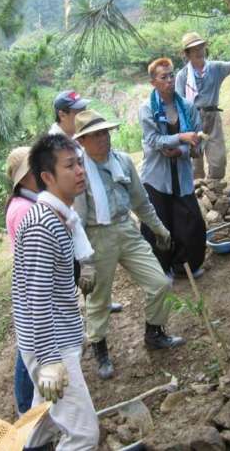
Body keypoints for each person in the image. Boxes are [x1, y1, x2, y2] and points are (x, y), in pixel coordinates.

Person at [72, 110, 185, 380]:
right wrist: (84, 261)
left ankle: (154, 333)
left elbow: (140, 200)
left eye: (105, 132)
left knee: (160, 283)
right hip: (96, 236)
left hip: (126, 228)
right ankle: (100, 348)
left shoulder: (122, 161)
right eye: (95, 135)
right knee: (99, 299)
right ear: (83, 142)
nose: (103, 139)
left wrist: (158, 227)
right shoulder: (78, 172)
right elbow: (75, 219)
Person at [12, 134, 100, 450]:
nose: (80, 171)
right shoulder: (42, 226)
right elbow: (36, 300)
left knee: (41, 427)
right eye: (70, 166)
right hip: (50, 347)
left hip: (58, 338)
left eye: (80, 163)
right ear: (47, 177)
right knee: (84, 435)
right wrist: (51, 360)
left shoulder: (62, 216)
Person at [139, 57, 206, 278]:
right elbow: (153, 140)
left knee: (190, 220)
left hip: (182, 173)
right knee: (158, 223)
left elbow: (198, 139)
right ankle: (161, 269)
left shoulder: (186, 106)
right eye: (163, 77)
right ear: (153, 82)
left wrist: (183, 149)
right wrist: (181, 137)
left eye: (171, 75)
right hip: (157, 176)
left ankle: (185, 266)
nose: (169, 80)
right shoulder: (147, 109)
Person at [175, 32, 230, 181]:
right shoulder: (182, 75)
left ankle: (215, 190)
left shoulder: (215, 68)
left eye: (201, 47)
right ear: (187, 54)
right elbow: (178, 104)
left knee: (218, 160)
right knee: (195, 163)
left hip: (212, 117)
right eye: (194, 49)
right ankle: (198, 194)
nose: (199, 51)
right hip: (192, 119)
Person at [5, 147, 41, 416]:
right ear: (25, 177)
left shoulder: (31, 201)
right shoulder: (22, 209)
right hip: (33, 286)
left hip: (34, 283)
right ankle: (25, 405)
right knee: (30, 347)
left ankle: (28, 404)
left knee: (32, 345)